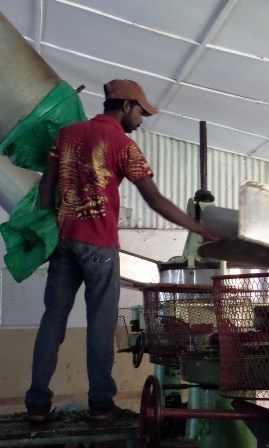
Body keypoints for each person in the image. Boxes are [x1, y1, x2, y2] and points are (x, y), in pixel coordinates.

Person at [25, 79, 221, 423]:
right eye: (141, 112)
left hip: (64, 241)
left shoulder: (67, 135)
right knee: (100, 326)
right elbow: (155, 200)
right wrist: (201, 228)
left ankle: (37, 406)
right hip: (99, 247)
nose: (143, 120)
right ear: (126, 105)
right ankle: (101, 405)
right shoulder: (122, 144)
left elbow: (46, 188)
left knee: (52, 320)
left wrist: (52, 221)